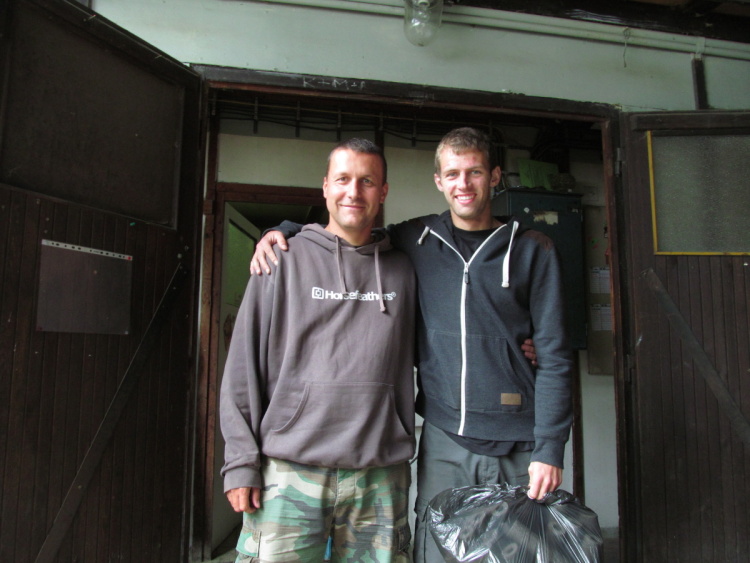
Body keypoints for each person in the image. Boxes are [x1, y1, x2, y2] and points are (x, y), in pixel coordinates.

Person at [251, 127, 573, 563]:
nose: (463, 184)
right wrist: (284, 230)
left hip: (520, 441)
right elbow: (350, 227)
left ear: (495, 177)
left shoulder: (534, 249)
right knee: (436, 552)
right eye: (452, 174)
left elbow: (556, 358)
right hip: (445, 438)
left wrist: (550, 447)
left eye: (475, 172)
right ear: (438, 181)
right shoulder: (416, 239)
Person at [221, 138, 417, 562]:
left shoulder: (404, 269)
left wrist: (521, 346)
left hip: (380, 475)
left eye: (367, 181)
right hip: (289, 470)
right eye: (343, 179)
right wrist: (240, 462)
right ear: (325, 186)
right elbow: (242, 367)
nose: (353, 192)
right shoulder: (280, 259)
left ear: (383, 192)